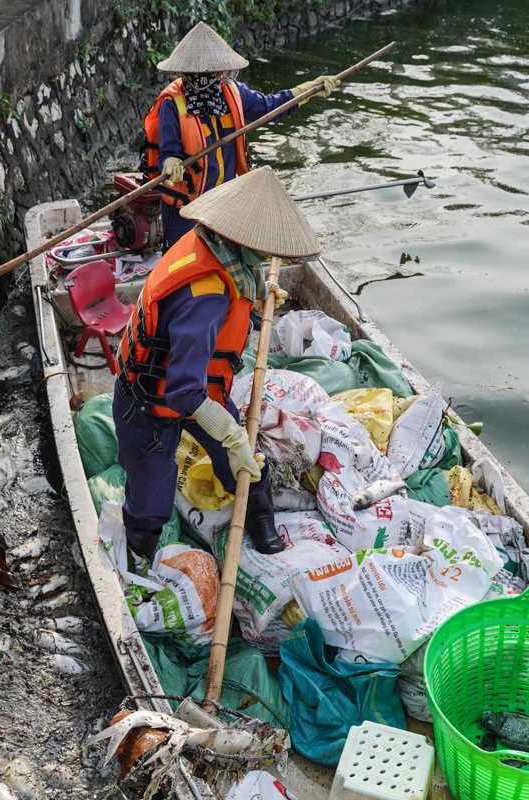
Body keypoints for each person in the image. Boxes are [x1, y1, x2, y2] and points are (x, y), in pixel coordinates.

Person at [112, 166, 321, 564]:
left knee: (243, 462)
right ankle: (141, 554)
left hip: (195, 385)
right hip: (148, 399)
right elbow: (182, 391)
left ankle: (259, 516)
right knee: (151, 490)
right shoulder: (204, 296)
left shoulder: (215, 247)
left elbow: (238, 293)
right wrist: (230, 434)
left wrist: (261, 297)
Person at [141, 21, 339, 248]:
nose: (202, 78)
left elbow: (269, 107)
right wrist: (171, 163)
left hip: (225, 198)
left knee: (223, 257)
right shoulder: (172, 103)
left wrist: (307, 91)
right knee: (182, 259)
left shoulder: (233, 93)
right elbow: (169, 151)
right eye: (195, 73)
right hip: (187, 205)